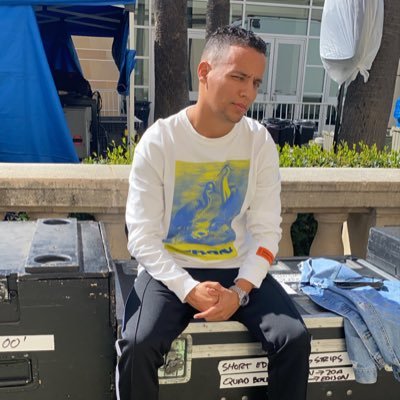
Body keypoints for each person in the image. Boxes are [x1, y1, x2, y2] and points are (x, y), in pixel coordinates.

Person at [117, 25, 311, 400]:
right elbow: (141, 238)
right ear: (204, 73)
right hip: (169, 271)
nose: (248, 92)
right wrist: (189, 290)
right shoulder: (160, 141)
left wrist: (239, 291)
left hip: (236, 271)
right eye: (239, 77)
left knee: (295, 339)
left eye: (255, 82)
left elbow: (267, 230)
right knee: (138, 345)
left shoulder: (259, 142)